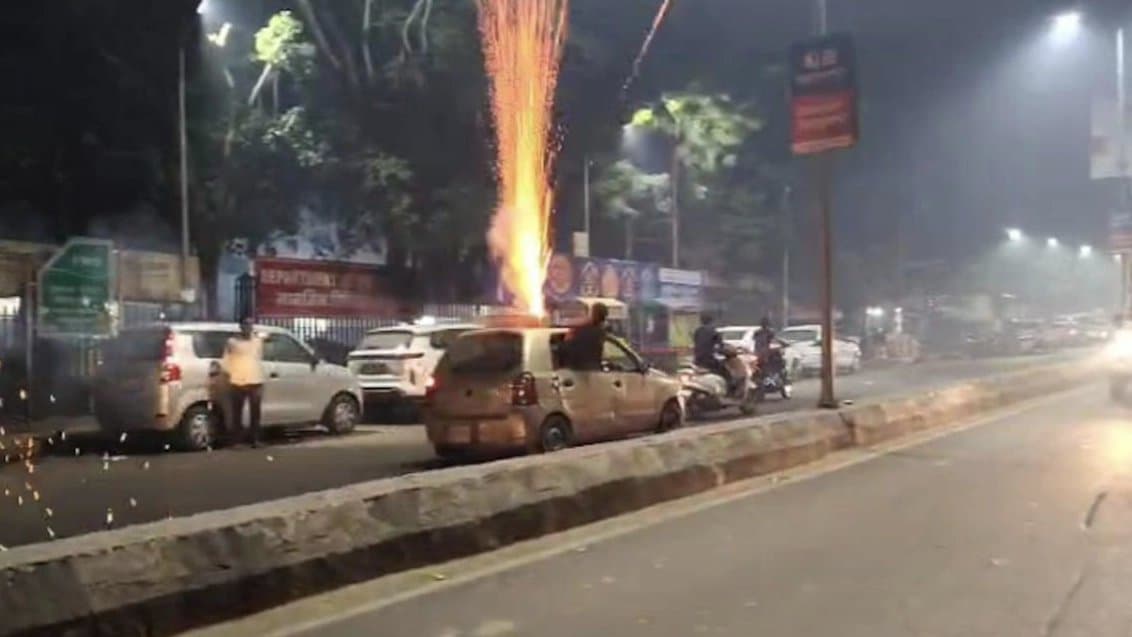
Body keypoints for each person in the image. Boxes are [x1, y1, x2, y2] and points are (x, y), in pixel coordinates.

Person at [222, 316, 266, 447]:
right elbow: (226, 360)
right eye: (246, 324)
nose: (249, 327)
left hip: (255, 380)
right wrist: (231, 373)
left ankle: (255, 439)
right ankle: (236, 440)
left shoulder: (258, 340)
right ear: (241, 326)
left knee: (255, 413)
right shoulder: (232, 342)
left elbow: (260, 355)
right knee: (237, 412)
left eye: (251, 324)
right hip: (238, 380)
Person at [566, 302, 608, 371]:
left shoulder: (581, 330)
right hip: (591, 369)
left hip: (580, 369)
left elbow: (567, 345)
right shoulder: (601, 332)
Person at [693, 313, 731, 389]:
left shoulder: (697, 331)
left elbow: (696, 342)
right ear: (711, 321)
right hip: (709, 360)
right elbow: (721, 345)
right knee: (726, 372)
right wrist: (723, 351)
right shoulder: (714, 331)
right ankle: (728, 388)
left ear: (701, 321)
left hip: (697, 360)